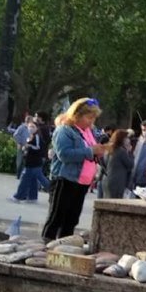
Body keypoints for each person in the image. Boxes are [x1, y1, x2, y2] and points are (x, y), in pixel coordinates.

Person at [42, 98, 109, 241]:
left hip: (82, 181)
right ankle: (47, 243)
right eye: (89, 117)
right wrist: (91, 151)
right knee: (57, 217)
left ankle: (65, 244)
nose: (91, 121)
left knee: (72, 219)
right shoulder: (64, 131)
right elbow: (64, 155)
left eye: (94, 118)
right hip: (65, 179)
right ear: (76, 115)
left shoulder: (88, 131)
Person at [9, 119, 50, 203]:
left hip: (34, 162)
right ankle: (32, 197)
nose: (30, 128)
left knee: (25, 179)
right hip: (32, 162)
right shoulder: (31, 136)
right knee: (34, 180)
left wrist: (28, 146)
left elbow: (38, 148)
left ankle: (18, 196)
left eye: (33, 126)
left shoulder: (36, 137)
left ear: (37, 128)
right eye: (29, 126)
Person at [103, 128, 134, 199]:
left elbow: (104, 163)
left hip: (107, 179)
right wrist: (129, 152)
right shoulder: (121, 151)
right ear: (122, 139)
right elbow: (130, 165)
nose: (128, 140)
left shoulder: (109, 149)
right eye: (126, 138)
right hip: (117, 182)